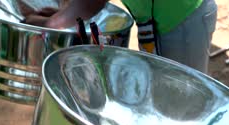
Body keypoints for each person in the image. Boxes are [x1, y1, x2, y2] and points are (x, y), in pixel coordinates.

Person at [25, 0, 218, 73]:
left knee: (180, 108)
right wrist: (65, 12)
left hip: (181, 19)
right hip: (159, 19)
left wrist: (51, 24)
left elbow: (90, 4)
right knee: (162, 94)